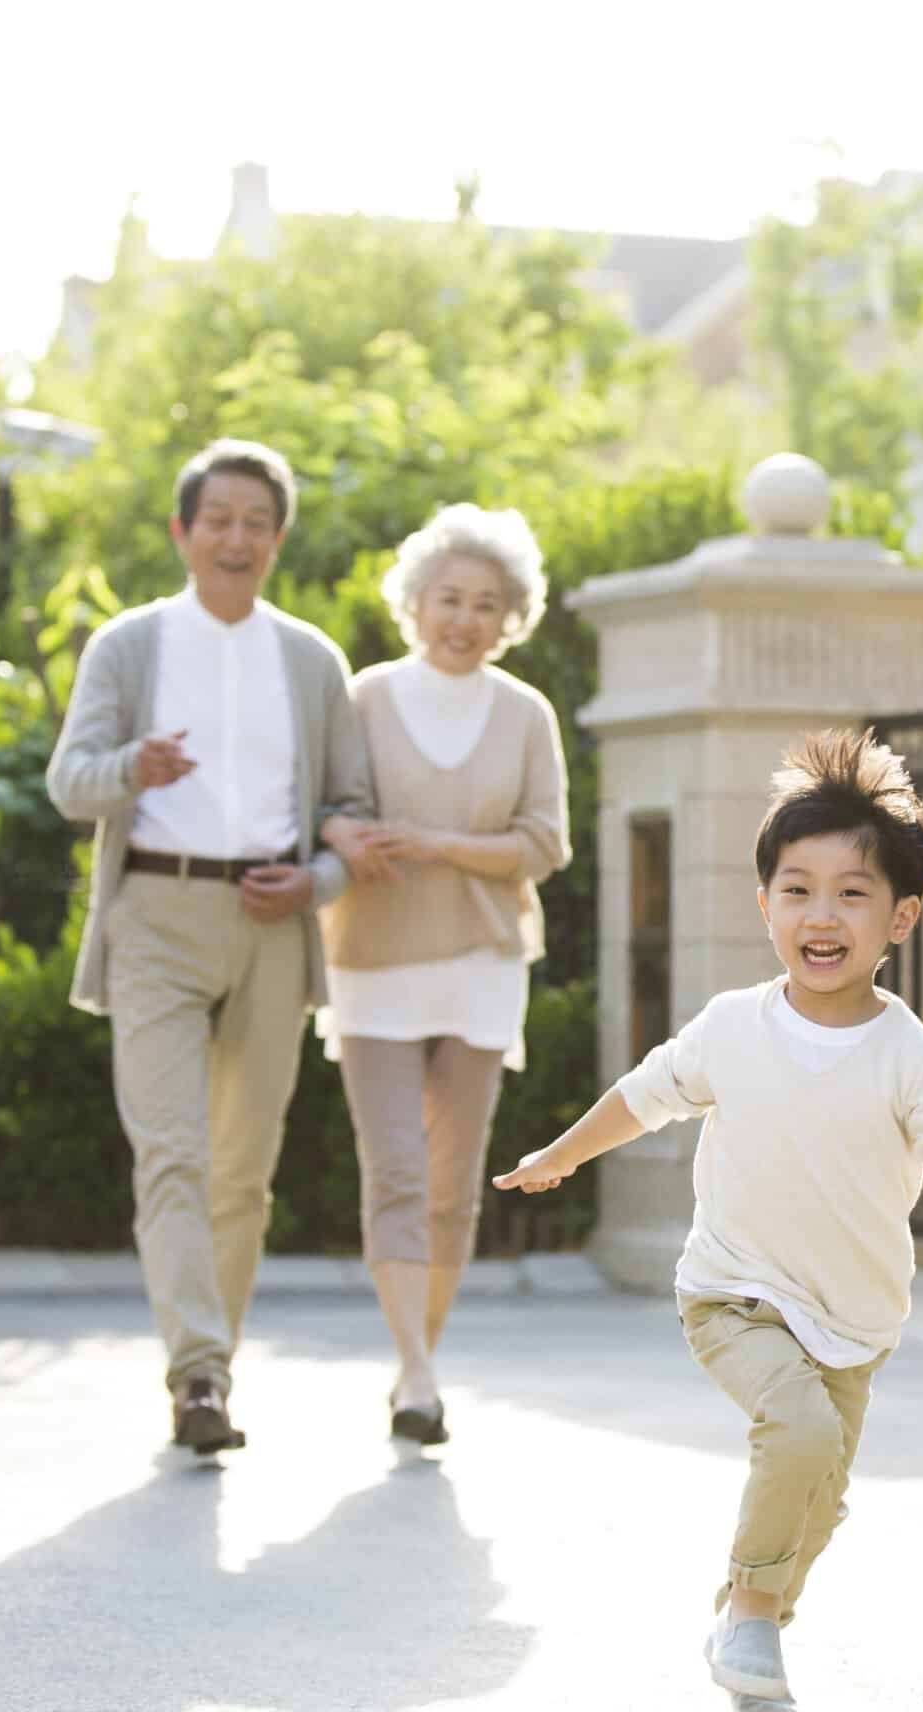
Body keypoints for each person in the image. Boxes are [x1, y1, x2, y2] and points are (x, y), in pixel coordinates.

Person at [493, 729, 923, 1712]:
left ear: (902, 917)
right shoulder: (733, 1025)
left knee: (819, 1498)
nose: (821, 915)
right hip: (732, 1292)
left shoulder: (907, 1057)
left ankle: (752, 1625)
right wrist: (564, 1153)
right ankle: (753, 1615)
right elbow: (647, 1093)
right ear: (765, 906)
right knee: (794, 1438)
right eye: (797, 890)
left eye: (852, 893)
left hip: (855, 1318)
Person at [45, 439, 374, 1456]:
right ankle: (198, 1373)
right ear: (184, 532)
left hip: (272, 923)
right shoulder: (130, 646)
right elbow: (69, 783)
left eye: (256, 523)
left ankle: (210, 1367)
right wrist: (132, 768)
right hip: (154, 914)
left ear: (277, 538)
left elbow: (354, 813)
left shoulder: (312, 661)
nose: (236, 538)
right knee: (173, 1152)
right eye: (217, 520)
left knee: (243, 1169)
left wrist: (313, 882)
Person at [319, 503, 570, 1446]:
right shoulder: (365, 698)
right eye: (449, 599)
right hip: (373, 961)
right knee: (392, 1169)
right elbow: (325, 808)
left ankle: (415, 1361)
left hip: (479, 967)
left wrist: (437, 844)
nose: (464, 619)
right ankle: (418, 1374)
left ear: (511, 617)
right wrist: (350, 834)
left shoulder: (525, 713)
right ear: (415, 603)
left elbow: (545, 843)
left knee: (453, 1183)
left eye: (486, 604)